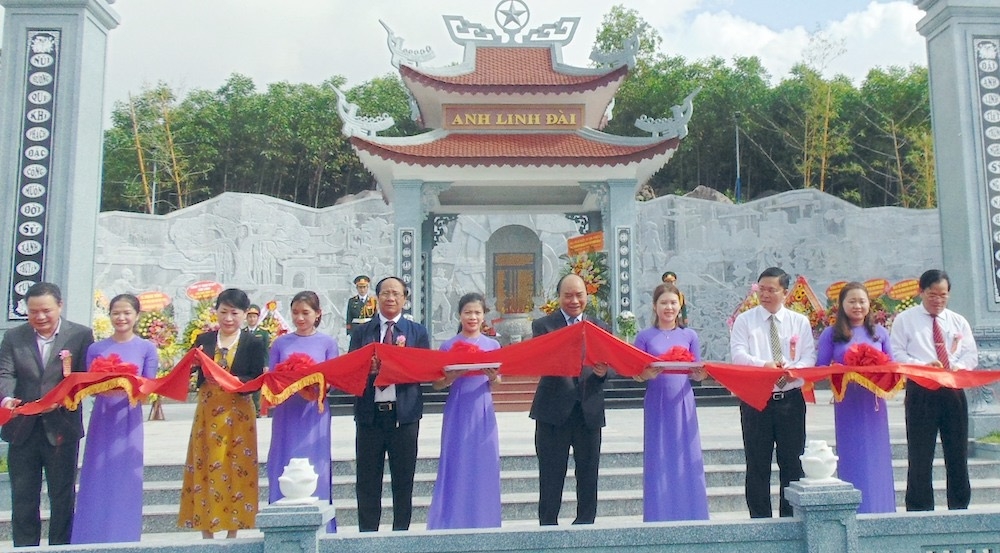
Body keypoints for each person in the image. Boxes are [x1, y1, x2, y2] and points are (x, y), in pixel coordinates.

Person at [0, 282, 93, 547]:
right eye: (33, 312)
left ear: (59, 307)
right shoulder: (14, 337)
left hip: (62, 428)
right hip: (22, 428)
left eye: (46, 311)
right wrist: (8, 399)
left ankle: (60, 548)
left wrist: (65, 399)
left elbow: (85, 378)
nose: (39, 317)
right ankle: (25, 548)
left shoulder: (81, 335)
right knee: (23, 497)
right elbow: (4, 373)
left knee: (62, 497)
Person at [177, 288, 267, 539]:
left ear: (244, 314)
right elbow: (191, 371)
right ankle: (206, 530)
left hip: (238, 413)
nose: (228, 318)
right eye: (223, 312)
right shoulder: (203, 340)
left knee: (237, 467)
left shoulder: (253, 342)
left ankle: (232, 532)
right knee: (205, 465)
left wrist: (235, 381)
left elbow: (257, 379)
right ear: (216, 311)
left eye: (234, 313)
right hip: (208, 412)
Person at [71, 294, 159, 543]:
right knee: (96, 475)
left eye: (127, 313)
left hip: (128, 420)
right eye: (116, 313)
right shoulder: (96, 348)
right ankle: (90, 535)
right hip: (102, 419)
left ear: (137, 316)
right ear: (109, 315)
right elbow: (87, 386)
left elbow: (148, 387)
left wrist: (127, 384)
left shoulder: (146, 348)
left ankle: (124, 535)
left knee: (125, 479)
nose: (121, 318)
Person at [730, 267, 816, 518]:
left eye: (771, 290)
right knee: (757, 464)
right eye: (761, 290)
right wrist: (764, 367)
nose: (765, 295)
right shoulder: (745, 320)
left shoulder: (798, 321)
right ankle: (760, 522)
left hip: (790, 399)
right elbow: (738, 355)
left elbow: (809, 356)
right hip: (757, 399)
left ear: (785, 293)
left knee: (791, 463)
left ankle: (790, 520)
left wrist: (791, 369)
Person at [890, 269, 978, 511]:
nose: (938, 300)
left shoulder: (957, 321)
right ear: (921, 291)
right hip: (921, 391)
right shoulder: (905, 320)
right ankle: (919, 507)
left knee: (957, 451)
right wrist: (923, 367)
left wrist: (956, 368)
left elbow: (971, 355)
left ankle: (960, 505)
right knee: (920, 453)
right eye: (932, 295)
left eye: (943, 295)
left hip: (953, 390)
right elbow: (896, 353)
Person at [349, 276, 430, 531]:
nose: (391, 298)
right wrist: (366, 368)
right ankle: (367, 537)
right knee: (367, 481)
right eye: (385, 293)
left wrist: (397, 367)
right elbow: (351, 371)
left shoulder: (416, 331)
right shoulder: (362, 331)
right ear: (377, 297)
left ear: (405, 299)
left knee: (403, 481)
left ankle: (400, 536)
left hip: (403, 416)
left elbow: (425, 370)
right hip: (369, 416)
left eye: (396, 293)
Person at [530, 273, 612, 525]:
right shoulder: (544, 325)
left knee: (588, 474)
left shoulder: (600, 326)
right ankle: (548, 527)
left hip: (589, 410)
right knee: (551, 474)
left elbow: (611, 362)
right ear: (559, 298)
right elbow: (544, 359)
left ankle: (585, 524)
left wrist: (604, 372)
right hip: (554, 412)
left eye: (579, 295)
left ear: (587, 296)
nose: (574, 300)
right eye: (568, 295)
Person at [815, 282, 896, 513]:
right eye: (852, 301)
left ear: (870, 304)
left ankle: (883, 508)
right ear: (841, 305)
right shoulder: (832, 333)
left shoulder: (879, 332)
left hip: (875, 404)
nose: (858, 306)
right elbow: (820, 367)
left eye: (862, 301)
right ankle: (854, 509)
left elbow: (891, 364)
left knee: (878, 457)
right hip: (847, 402)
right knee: (854, 455)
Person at [632, 283, 709, 521]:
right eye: (664, 302)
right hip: (657, 401)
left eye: (673, 303)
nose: (669, 307)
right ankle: (659, 513)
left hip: (683, 401)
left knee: (686, 454)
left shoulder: (689, 335)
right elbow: (635, 371)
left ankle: (692, 512)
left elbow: (697, 368)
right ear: (655, 306)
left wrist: (701, 374)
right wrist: (645, 374)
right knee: (659, 456)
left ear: (680, 305)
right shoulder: (644, 336)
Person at [426, 293, 502, 530]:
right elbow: (436, 383)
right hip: (458, 407)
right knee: (456, 462)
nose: (473, 317)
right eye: (468, 312)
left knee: (483, 461)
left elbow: (498, 381)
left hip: (482, 406)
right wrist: (451, 376)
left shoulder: (493, 345)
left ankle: (484, 519)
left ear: (484, 316)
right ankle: (452, 519)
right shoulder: (448, 345)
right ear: (460, 315)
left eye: (477, 313)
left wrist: (493, 376)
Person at [266, 291, 339, 531]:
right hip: (287, 412)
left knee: (315, 463)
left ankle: (321, 525)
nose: (300, 318)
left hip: (313, 412)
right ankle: (279, 522)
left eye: (305, 313)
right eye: (295, 312)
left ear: (318, 314)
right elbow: (271, 379)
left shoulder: (327, 343)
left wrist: (313, 386)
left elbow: (332, 379)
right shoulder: (280, 343)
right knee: (283, 459)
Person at [244, 304, 270, 416]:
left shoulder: (263, 333)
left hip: (258, 364)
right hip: (245, 364)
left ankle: (257, 410)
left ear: (258, 318)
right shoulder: (243, 332)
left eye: (254, 317)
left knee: (257, 388)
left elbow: (266, 350)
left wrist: (266, 364)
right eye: (249, 317)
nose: (252, 319)